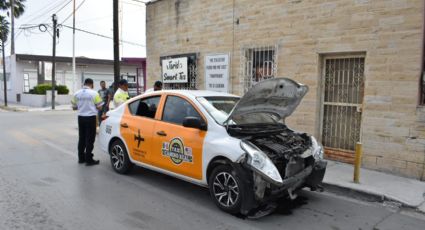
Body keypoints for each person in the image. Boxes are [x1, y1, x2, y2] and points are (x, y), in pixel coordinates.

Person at [71, 78, 104, 166]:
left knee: (82, 138)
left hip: (81, 118)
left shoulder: (77, 93)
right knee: (90, 139)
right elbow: (100, 107)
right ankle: (89, 159)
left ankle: (81, 158)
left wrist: (82, 106)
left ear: (84, 84)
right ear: (91, 84)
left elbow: (74, 107)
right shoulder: (94, 93)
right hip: (90, 118)